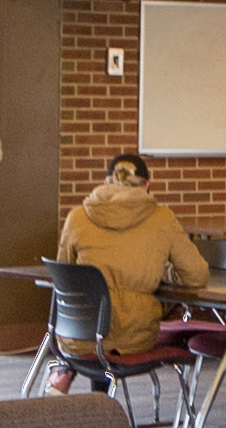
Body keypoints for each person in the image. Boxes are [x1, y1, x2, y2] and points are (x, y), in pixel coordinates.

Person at [50, 151, 211, 360]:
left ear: (106, 183)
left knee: (94, 357)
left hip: (76, 336)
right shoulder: (163, 219)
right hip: (133, 338)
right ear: (146, 185)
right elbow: (197, 276)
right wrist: (159, 271)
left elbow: (64, 273)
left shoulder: (76, 217)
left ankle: (66, 369)